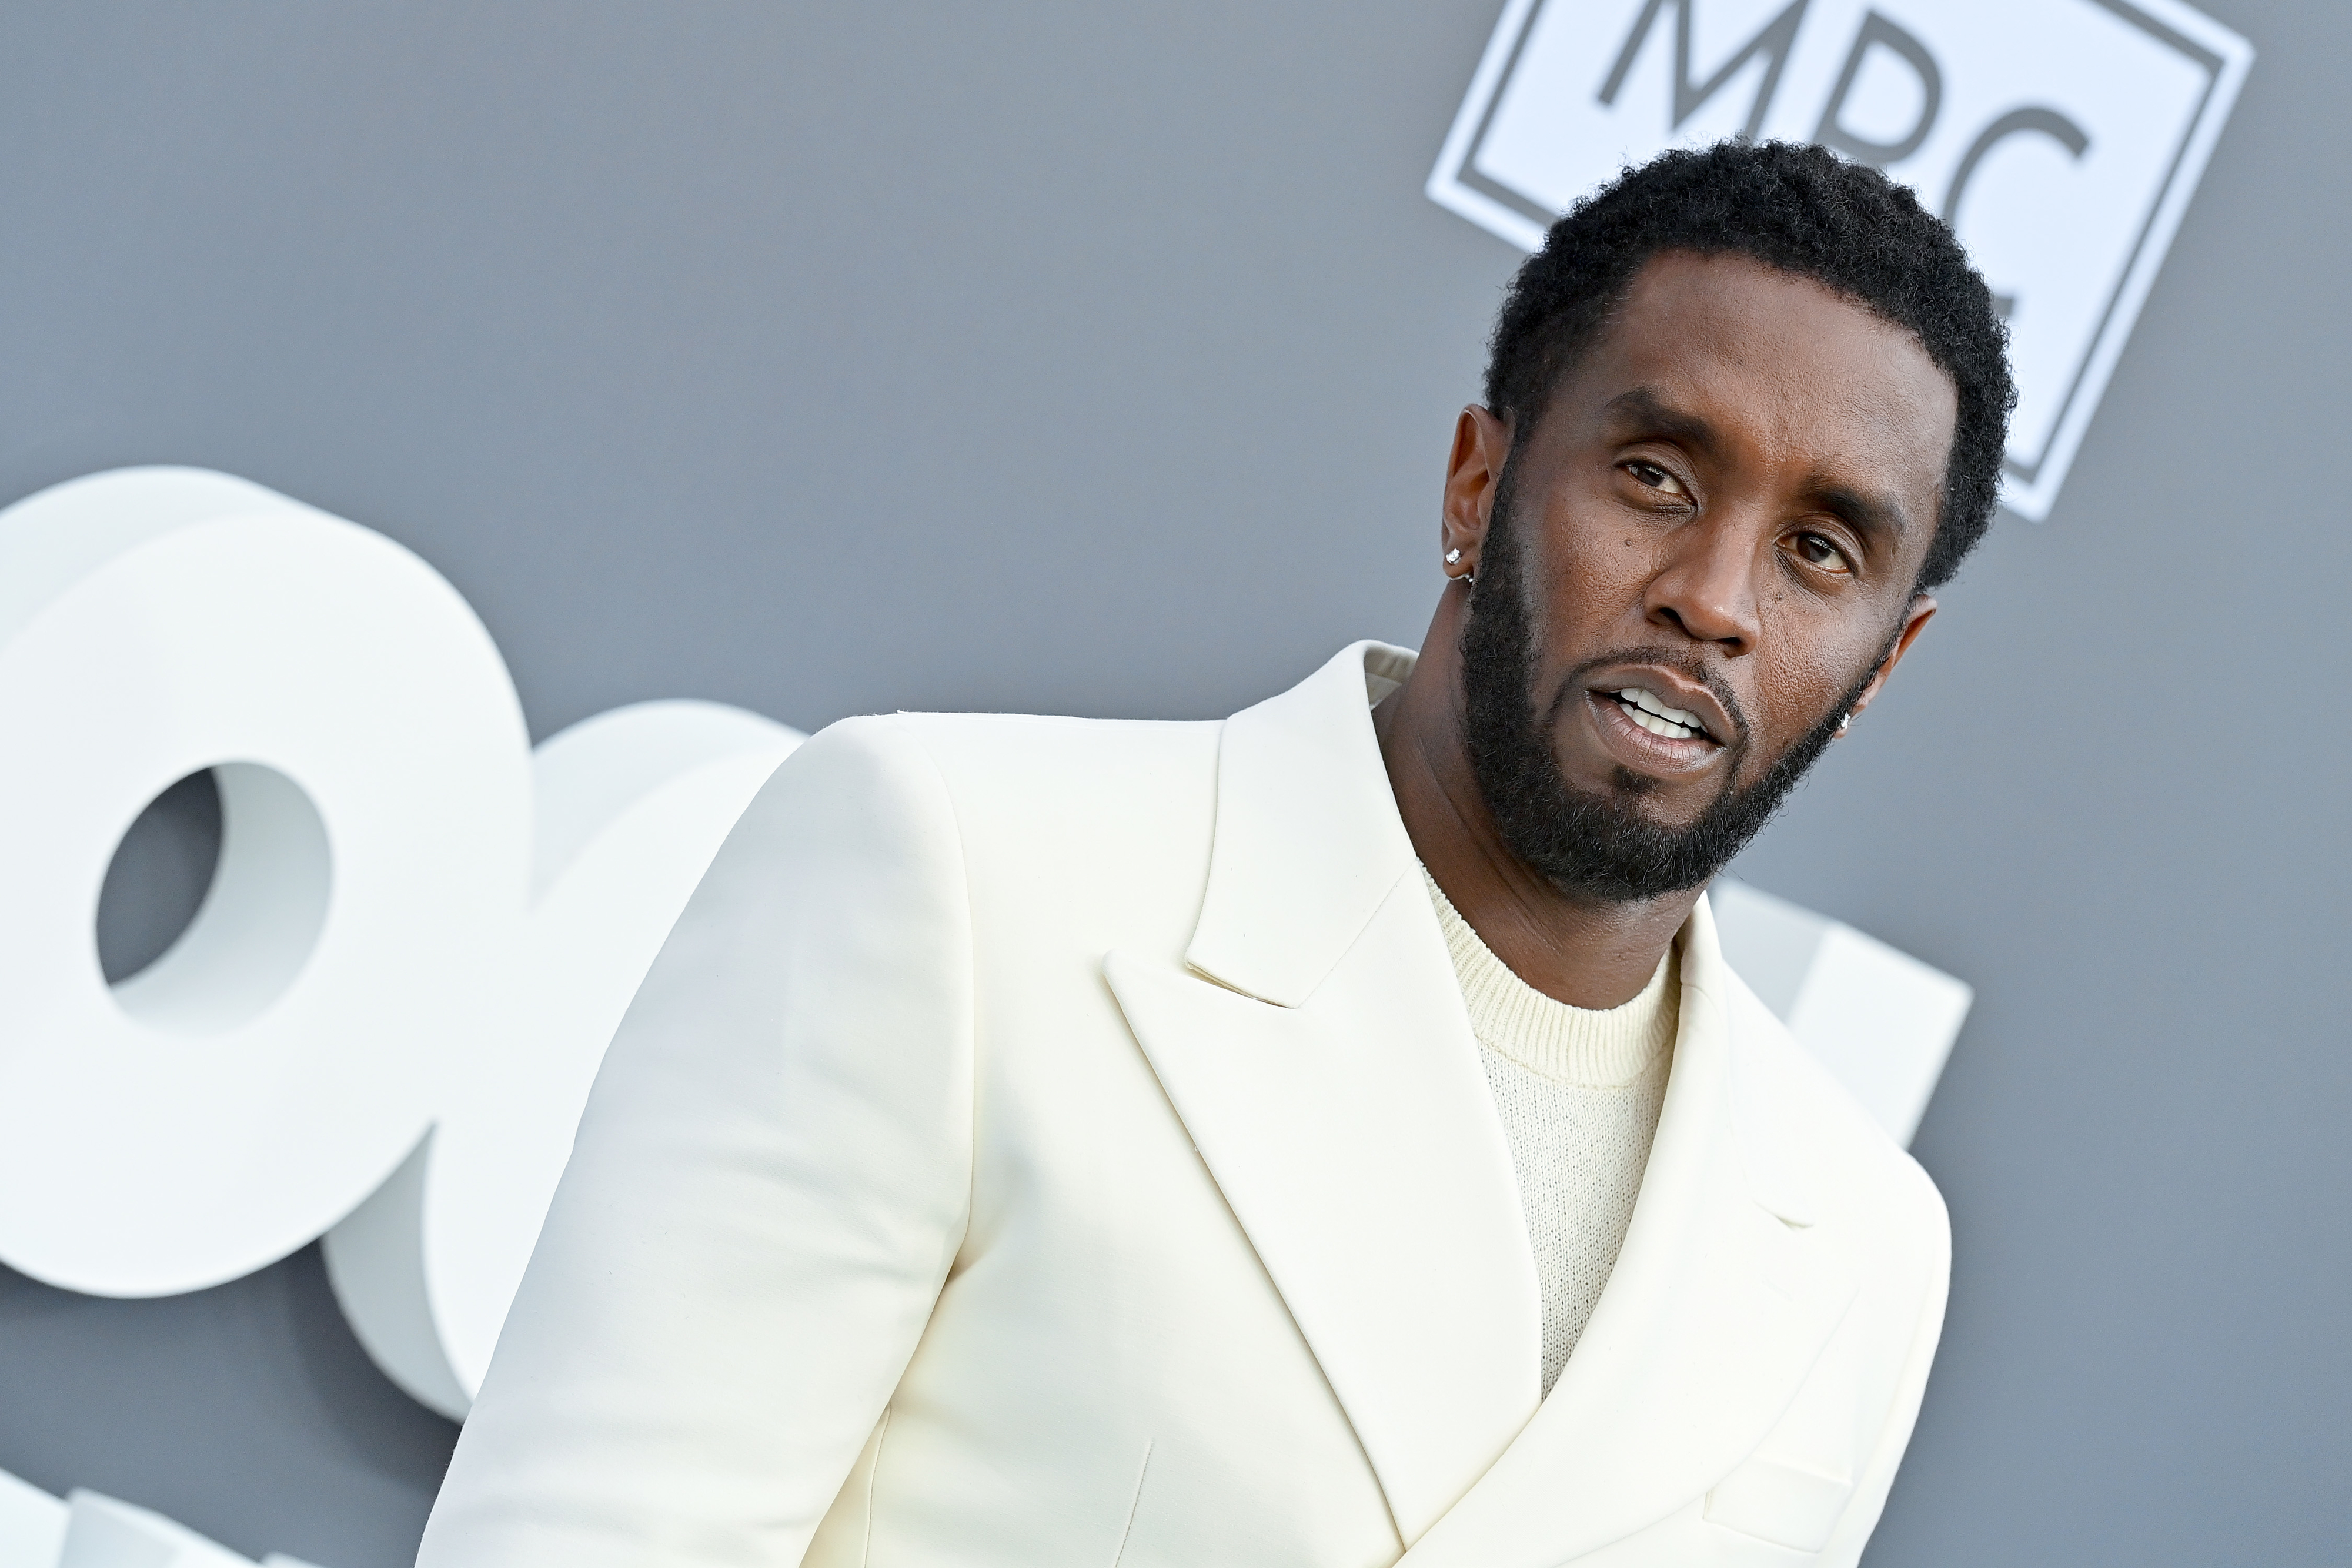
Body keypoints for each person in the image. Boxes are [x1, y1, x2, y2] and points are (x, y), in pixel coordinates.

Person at [419, 140, 2012, 1567]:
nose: (1716, 596)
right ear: (1478, 483)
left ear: (1886, 659)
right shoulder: (964, 870)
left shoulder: (1863, 1248)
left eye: (1820, 550)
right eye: (1657, 475)